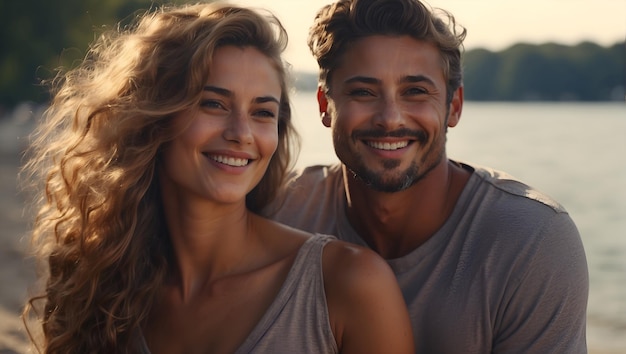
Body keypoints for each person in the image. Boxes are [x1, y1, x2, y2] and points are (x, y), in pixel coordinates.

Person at [21, 2, 415, 353]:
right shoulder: (98, 283)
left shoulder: (348, 285)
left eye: (262, 113)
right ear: (153, 118)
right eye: (213, 103)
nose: (242, 133)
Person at [263, 0, 589, 352]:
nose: (390, 119)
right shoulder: (276, 213)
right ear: (326, 106)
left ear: (454, 106)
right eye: (363, 92)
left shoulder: (529, 241)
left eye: (415, 92)